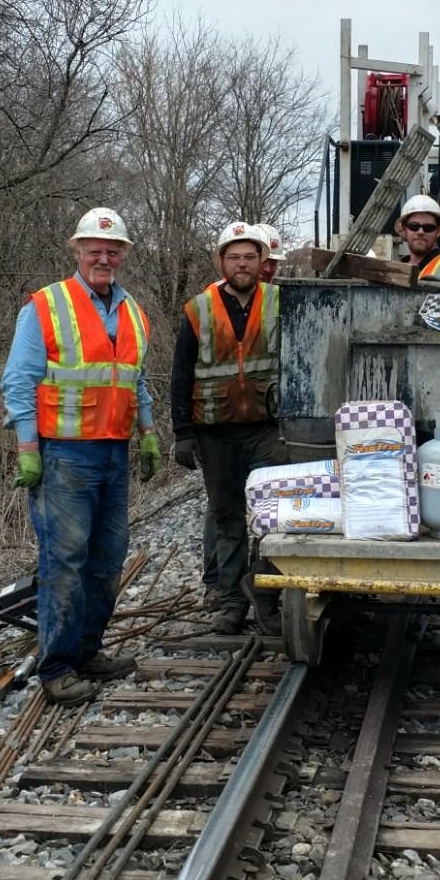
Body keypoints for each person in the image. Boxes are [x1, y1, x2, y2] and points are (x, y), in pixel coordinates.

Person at [0, 208, 159, 706]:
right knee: (64, 562)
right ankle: (58, 667)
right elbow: (18, 381)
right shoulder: (46, 305)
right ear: (77, 251)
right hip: (64, 455)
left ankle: (88, 651)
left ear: (124, 255)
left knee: (106, 561)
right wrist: (28, 447)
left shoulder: (133, 311)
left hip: (113, 452)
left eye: (113, 251)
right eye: (94, 249)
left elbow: (136, 379)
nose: (103, 257)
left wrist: (148, 432)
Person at [170, 221, 286, 634]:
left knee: (275, 515)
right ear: (222, 261)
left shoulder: (279, 301)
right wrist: (182, 431)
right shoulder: (198, 309)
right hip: (214, 431)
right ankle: (231, 601)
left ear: (262, 261)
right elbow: (181, 373)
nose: (243, 264)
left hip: (266, 427)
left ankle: (269, 598)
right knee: (227, 516)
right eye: (234, 256)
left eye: (250, 256)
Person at [395, 195, 440, 281]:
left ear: (438, 231)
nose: (420, 232)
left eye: (428, 227)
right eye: (414, 226)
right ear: (404, 229)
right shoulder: (395, 272)